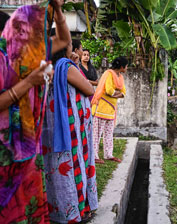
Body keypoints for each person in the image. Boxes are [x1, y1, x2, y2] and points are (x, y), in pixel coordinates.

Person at [0, 1, 71, 223]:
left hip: (26, 146)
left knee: (26, 203)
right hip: (5, 151)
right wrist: (31, 81)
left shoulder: (25, 57)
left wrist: (58, 10)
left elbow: (64, 41)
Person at [42, 42, 97, 223]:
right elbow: (89, 89)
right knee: (74, 165)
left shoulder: (46, 67)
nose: (78, 51)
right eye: (74, 48)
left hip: (54, 125)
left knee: (56, 168)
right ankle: (77, 210)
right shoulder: (66, 67)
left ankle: (60, 210)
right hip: (71, 127)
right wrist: (74, 64)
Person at [91, 57, 128, 164]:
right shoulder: (108, 73)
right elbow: (108, 90)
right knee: (96, 134)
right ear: (122, 67)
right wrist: (117, 94)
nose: (127, 68)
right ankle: (94, 155)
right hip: (101, 109)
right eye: (126, 66)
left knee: (109, 133)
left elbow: (124, 92)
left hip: (111, 110)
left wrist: (115, 94)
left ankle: (108, 154)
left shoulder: (120, 77)